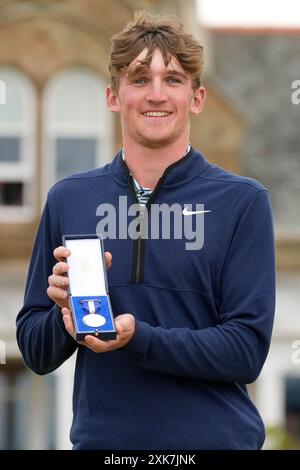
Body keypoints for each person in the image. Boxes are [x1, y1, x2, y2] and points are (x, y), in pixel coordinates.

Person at [16, 11, 275, 450]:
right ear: (113, 96)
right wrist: (66, 319)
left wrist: (140, 339)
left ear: (197, 98)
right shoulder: (69, 198)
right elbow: (36, 350)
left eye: (172, 79)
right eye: (139, 79)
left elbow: (246, 350)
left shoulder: (242, 202)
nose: (156, 95)